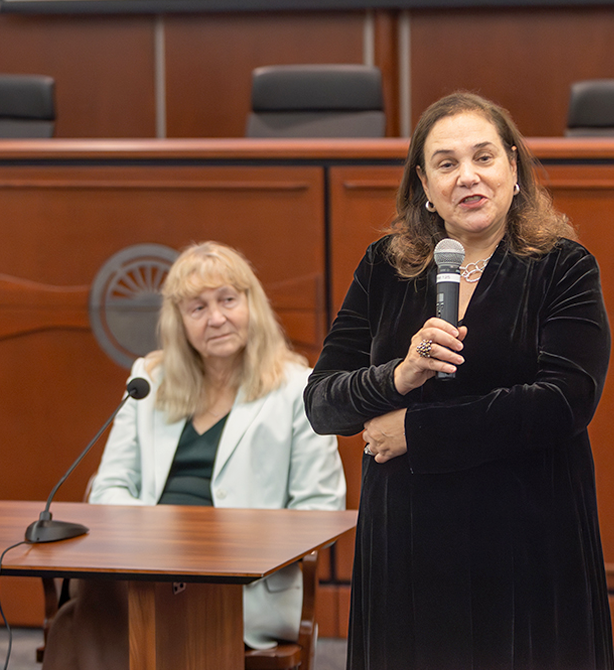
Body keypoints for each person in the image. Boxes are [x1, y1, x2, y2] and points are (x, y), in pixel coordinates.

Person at [304, 91, 614, 670]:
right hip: (409, 550)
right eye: (446, 164)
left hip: (526, 542)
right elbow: (323, 403)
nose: (467, 177)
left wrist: (416, 431)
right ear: (424, 184)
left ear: (513, 169)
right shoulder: (384, 266)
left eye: (484, 157)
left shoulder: (563, 266)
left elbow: (565, 403)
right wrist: (399, 375)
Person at [41, 241, 346, 670]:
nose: (216, 318)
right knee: (100, 591)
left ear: (251, 306)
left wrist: (216, 548)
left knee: (86, 613)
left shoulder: (298, 388)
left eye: (227, 300)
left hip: (238, 585)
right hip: (143, 567)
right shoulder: (148, 380)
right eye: (197, 308)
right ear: (179, 321)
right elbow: (109, 486)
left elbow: (320, 510)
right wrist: (157, 543)